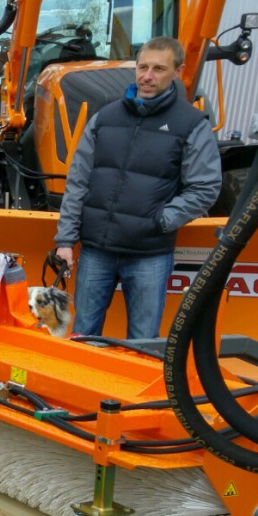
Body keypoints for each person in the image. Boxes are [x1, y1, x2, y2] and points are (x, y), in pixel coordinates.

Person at [53, 36, 221, 339]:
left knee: (142, 344)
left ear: (178, 71)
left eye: (158, 69)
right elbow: (78, 181)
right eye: (143, 67)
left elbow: (205, 188)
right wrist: (65, 239)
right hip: (96, 251)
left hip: (149, 254)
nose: (147, 76)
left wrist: (160, 220)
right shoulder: (105, 118)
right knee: (83, 339)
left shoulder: (191, 125)